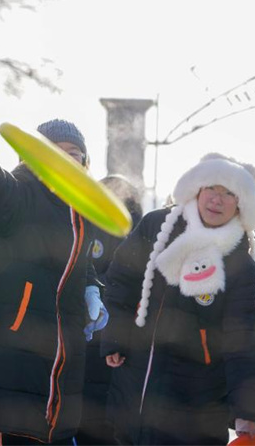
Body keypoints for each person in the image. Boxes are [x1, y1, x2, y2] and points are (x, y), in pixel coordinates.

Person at [0, 119, 108, 445]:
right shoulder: (23, 191)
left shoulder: (80, 208)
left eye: (75, 154)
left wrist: (91, 291)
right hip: (13, 369)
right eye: (55, 152)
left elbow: (79, 263)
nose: (67, 159)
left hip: (60, 370)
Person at [101, 155, 255, 445]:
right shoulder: (157, 226)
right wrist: (116, 335)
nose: (218, 199)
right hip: (135, 386)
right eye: (212, 188)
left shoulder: (240, 264)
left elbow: (244, 339)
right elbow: (120, 281)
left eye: (230, 194)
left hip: (196, 405)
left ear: (241, 205)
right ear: (198, 189)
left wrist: (245, 410)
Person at [78, 174, 143, 446]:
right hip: (86, 337)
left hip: (123, 345)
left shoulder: (139, 236)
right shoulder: (84, 228)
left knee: (114, 420)